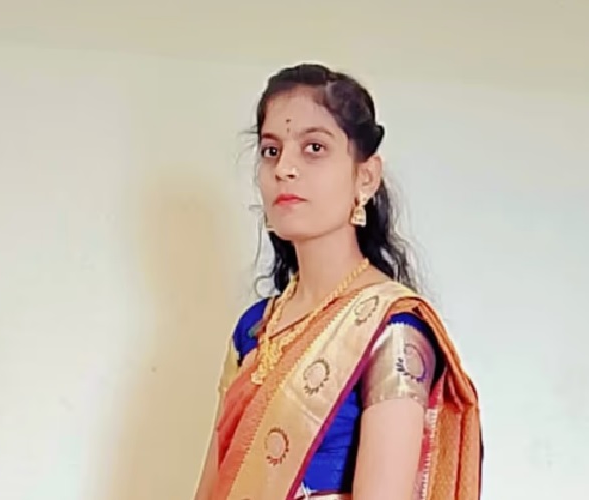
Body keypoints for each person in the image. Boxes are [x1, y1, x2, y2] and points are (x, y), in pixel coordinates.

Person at [194, 63, 482, 500]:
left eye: (314, 148)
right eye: (271, 151)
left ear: (365, 177)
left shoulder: (391, 330)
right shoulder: (253, 329)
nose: (284, 168)